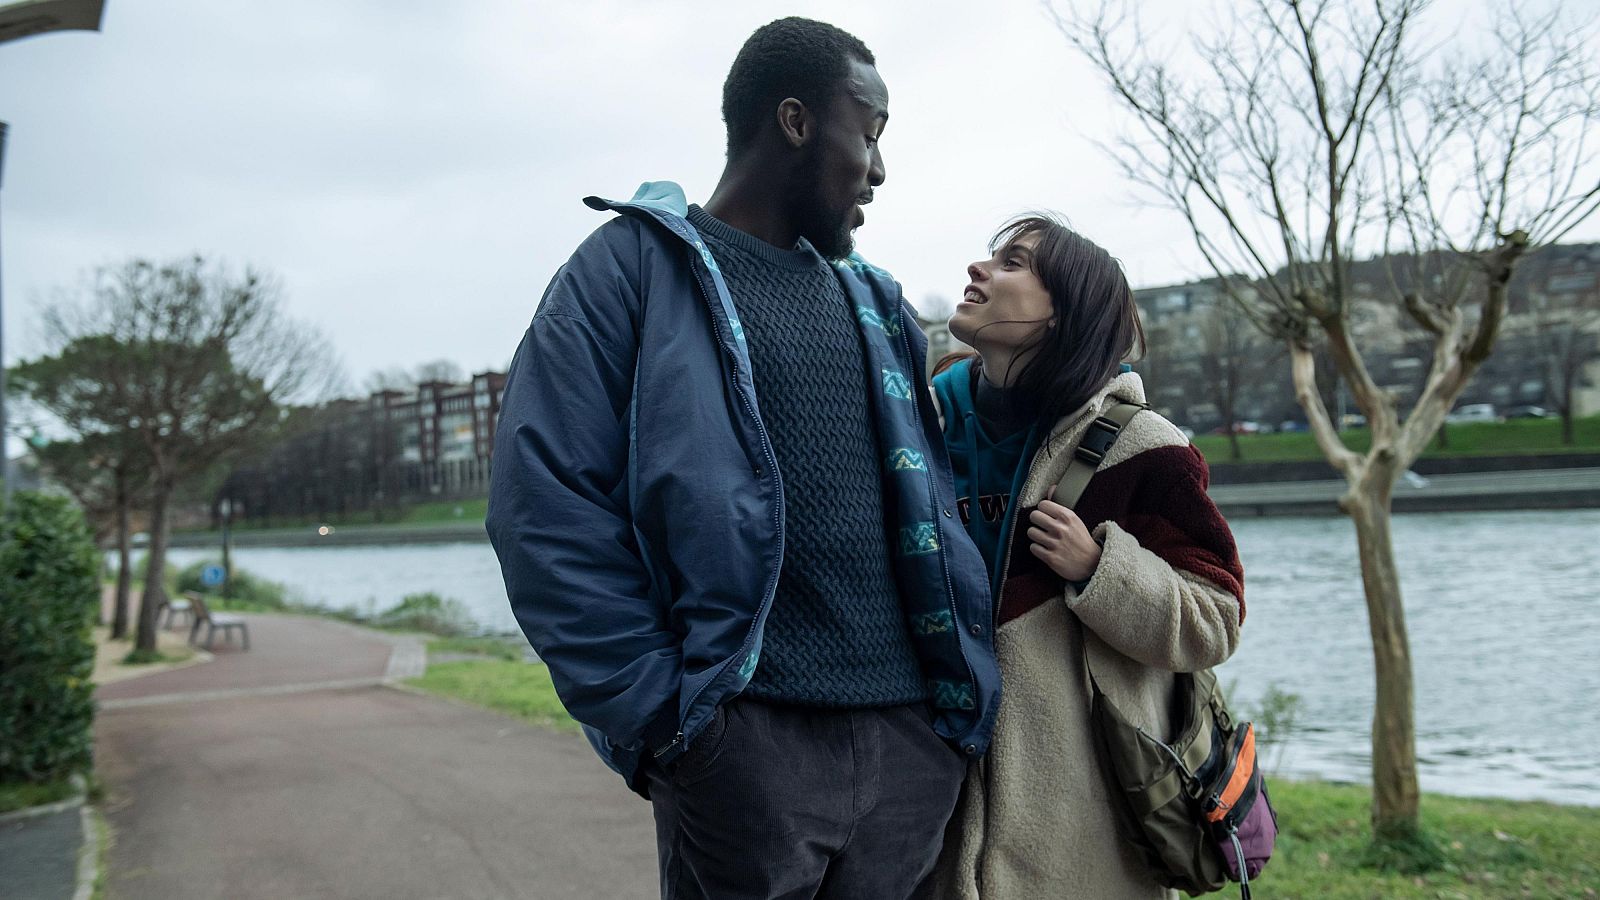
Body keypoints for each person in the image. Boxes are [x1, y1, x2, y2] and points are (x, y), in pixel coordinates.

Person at [486, 17, 1000, 900]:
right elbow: (545, 508)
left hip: (911, 756)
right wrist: (666, 722)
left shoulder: (879, 304)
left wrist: (944, 727)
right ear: (795, 121)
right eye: (868, 134)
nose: (878, 169)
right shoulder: (629, 272)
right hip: (744, 760)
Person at [921, 215, 1246, 899]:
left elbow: (1215, 619)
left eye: (1012, 263)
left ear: (1063, 314)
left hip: (1084, 842)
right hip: (924, 821)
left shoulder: (1144, 447)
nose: (980, 271)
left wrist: (1101, 571)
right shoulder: (917, 425)